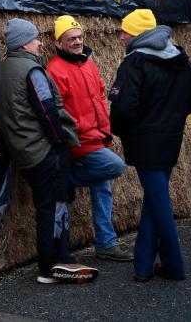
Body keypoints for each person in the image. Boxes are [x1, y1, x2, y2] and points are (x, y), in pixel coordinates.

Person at [0, 18, 98, 285]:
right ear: (25, 43)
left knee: (51, 204)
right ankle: (51, 266)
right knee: (53, 207)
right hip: (44, 152)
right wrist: (60, 143)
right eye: (36, 38)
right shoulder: (32, 71)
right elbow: (47, 110)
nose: (40, 43)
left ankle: (60, 258)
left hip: (23, 153)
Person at [108, 9, 191, 282]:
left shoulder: (134, 63)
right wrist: (170, 119)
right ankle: (143, 266)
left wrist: (120, 130)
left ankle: (174, 265)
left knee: (159, 204)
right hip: (171, 140)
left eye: (125, 31)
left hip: (144, 143)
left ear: (137, 34)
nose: (121, 36)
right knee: (154, 200)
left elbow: (123, 108)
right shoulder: (180, 58)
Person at [47, 15, 133, 262]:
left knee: (102, 186)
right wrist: (75, 134)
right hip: (79, 141)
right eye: (71, 38)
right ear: (58, 43)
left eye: (80, 37)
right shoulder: (54, 70)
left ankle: (106, 243)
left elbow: (99, 96)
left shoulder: (88, 63)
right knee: (114, 167)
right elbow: (57, 112)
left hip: (97, 137)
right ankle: (66, 177)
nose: (77, 42)